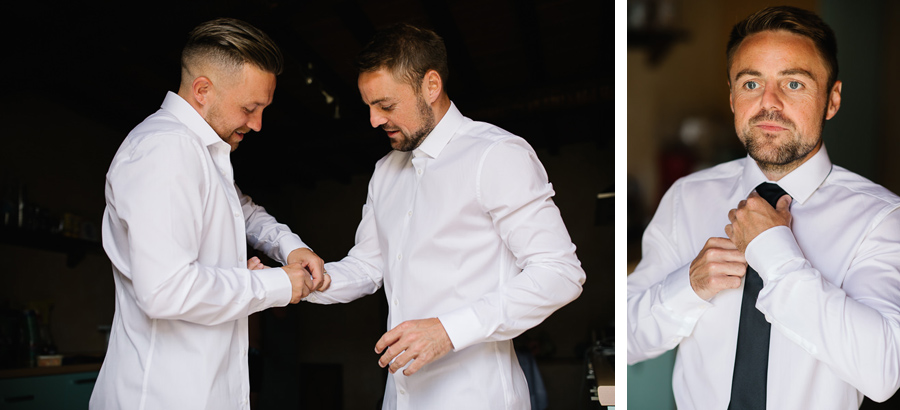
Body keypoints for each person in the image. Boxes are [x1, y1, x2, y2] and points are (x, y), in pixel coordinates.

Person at [627, 5, 900, 410]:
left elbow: (884, 373)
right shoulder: (687, 197)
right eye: (752, 83)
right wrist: (690, 286)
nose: (768, 103)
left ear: (832, 100)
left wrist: (774, 251)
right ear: (733, 95)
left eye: (793, 84)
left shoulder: (881, 217)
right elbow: (627, 339)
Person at [303, 23, 585, 409]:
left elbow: (560, 273)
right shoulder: (385, 171)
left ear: (430, 86)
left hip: (477, 397)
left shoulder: (496, 154)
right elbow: (367, 267)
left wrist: (448, 331)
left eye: (385, 105)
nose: (373, 120)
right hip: (400, 397)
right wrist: (290, 285)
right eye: (368, 106)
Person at [90, 18, 327, 410]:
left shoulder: (201, 152)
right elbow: (166, 290)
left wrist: (289, 247)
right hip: (162, 397)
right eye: (250, 108)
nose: (258, 124)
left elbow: (242, 210)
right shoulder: (164, 152)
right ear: (202, 90)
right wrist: (276, 286)